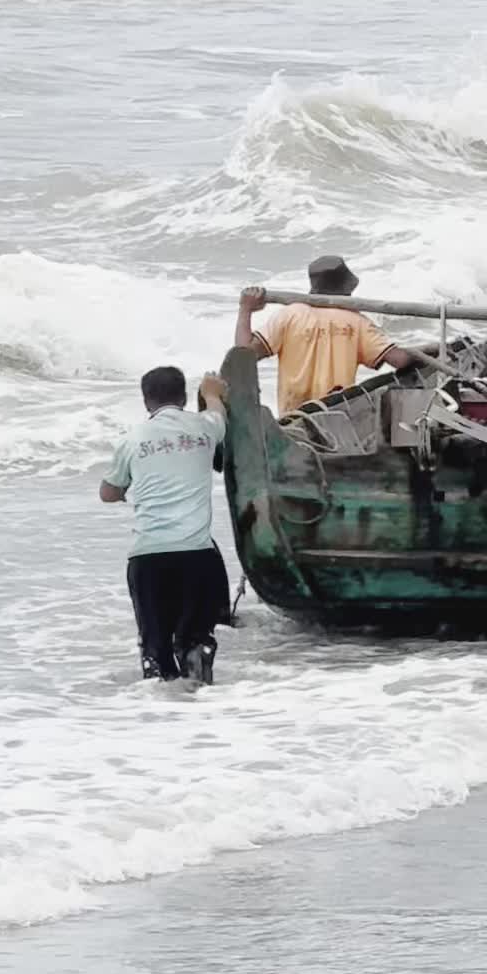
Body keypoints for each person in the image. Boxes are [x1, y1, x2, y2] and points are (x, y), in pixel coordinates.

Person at [100, 366, 230, 684]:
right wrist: (211, 392)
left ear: (146, 402)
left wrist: (125, 494)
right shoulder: (204, 428)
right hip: (197, 557)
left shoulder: (132, 439)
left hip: (148, 560)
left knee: (155, 652)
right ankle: (201, 700)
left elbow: (108, 492)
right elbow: (218, 413)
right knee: (196, 642)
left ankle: (161, 717)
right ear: (184, 397)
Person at [236, 255, 419, 418]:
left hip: (294, 418)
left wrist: (245, 309)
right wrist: (425, 353)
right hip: (338, 417)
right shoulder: (356, 321)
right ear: (347, 288)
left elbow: (242, 355)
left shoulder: (289, 315)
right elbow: (400, 360)